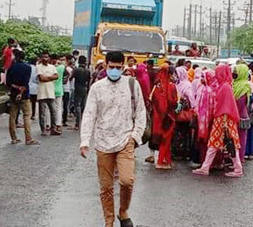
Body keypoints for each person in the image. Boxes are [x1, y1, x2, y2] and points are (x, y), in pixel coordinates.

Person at [80, 51, 146, 227]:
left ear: (123, 67)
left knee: (126, 180)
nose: (115, 70)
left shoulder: (132, 84)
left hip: (126, 140)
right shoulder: (97, 88)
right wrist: (85, 140)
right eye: (112, 67)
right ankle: (108, 221)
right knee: (106, 187)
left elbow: (141, 112)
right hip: (103, 143)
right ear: (105, 66)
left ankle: (123, 211)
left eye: (118, 67)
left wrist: (135, 136)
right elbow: (89, 115)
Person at [193, 64, 244, 177]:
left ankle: (237, 169)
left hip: (223, 119)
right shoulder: (225, 85)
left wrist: (224, 122)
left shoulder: (225, 87)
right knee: (218, 144)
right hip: (224, 119)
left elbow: (226, 105)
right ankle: (206, 167)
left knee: (226, 144)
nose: (216, 75)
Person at [6, 50, 39, 145]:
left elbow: (8, 82)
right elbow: (26, 82)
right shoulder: (27, 67)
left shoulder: (11, 67)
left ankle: (13, 138)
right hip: (24, 94)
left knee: (12, 116)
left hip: (13, 94)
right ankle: (28, 138)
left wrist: (16, 88)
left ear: (15, 57)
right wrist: (21, 92)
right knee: (27, 116)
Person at [151, 65, 177, 170]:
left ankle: (167, 160)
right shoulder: (170, 87)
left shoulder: (157, 86)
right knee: (166, 140)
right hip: (168, 116)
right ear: (170, 74)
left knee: (162, 138)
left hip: (157, 116)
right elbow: (173, 102)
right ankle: (161, 161)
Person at [233, 63, 252, 162]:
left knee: (240, 139)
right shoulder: (234, 84)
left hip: (240, 116)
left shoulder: (244, 87)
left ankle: (239, 159)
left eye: (236, 72)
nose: (234, 73)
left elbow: (240, 104)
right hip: (235, 115)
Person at [37, 52, 60, 136]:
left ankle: (53, 128)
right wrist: (50, 77)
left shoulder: (52, 67)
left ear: (49, 58)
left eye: (46, 57)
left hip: (51, 92)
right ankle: (43, 129)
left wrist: (46, 77)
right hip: (42, 93)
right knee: (42, 113)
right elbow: (41, 78)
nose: (45, 59)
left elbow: (57, 76)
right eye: (43, 57)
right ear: (41, 58)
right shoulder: (38, 67)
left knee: (53, 111)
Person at [70, 56, 91, 130]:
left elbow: (70, 78)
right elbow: (89, 82)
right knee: (83, 106)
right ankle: (83, 123)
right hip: (85, 89)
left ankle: (77, 124)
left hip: (77, 89)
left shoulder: (76, 70)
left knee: (77, 106)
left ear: (79, 62)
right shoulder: (87, 71)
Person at [52, 55, 65, 133]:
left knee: (50, 108)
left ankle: (49, 124)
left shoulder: (51, 69)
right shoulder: (61, 68)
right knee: (59, 108)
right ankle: (58, 124)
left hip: (51, 91)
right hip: (59, 91)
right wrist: (60, 62)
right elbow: (64, 65)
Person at [62, 56, 73, 127]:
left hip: (64, 89)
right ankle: (63, 120)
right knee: (64, 106)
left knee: (63, 106)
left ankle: (63, 120)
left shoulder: (67, 69)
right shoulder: (69, 69)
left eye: (63, 60)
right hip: (64, 89)